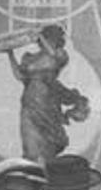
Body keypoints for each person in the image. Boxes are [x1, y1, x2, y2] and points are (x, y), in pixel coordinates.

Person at [6, 24, 89, 162]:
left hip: (48, 101)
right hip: (30, 102)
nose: (47, 42)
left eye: (49, 39)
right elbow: (20, 76)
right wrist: (10, 54)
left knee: (48, 142)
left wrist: (40, 35)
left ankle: (48, 173)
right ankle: (34, 173)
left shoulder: (60, 54)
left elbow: (55, 58)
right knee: (30, 142)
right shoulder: (30, 57)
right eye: (46, 39)